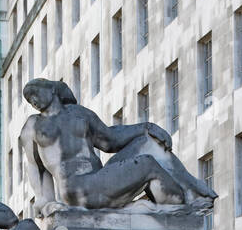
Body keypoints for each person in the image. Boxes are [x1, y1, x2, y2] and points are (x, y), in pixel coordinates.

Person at [19, 79, 217, 216]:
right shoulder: (33, 124)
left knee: (148, 142)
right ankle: (179, 203)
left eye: (35, 94)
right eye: (29, 99)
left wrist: (147, 127)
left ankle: (189, 192)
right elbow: (35, 166)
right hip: (76, 187)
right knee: (147, 164)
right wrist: (45, 200)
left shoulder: (79, 113)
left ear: (52, 90)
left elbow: (110, 140)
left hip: (99, 179)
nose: (33, 100)